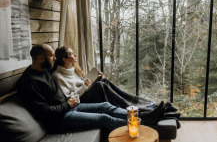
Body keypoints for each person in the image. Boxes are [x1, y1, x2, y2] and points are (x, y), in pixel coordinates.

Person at [17, 44, 165, 132]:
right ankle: (143, 123)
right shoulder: (30, 81)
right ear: (41, 58)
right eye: (51, 56)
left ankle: (143, 115)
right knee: (103, 118)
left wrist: (71, 100)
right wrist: (68, 104)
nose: (54, 58)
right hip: (58, 119)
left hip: (69, 107)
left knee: (106, 106)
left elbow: (63, 90)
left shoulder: (44, 71)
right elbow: (44, 112)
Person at [51, 46, 179, 116]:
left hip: (86, 93)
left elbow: (81, 83)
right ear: (64, 58)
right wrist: (84, 86)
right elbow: (69, 97)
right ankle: (135, 110)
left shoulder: (73, 69)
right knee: (101, 86)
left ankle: (153, 105)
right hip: (80, 101)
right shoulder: (57, 76)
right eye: (72, 53)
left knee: (103, 81)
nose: (75, 55)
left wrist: (93, 77)